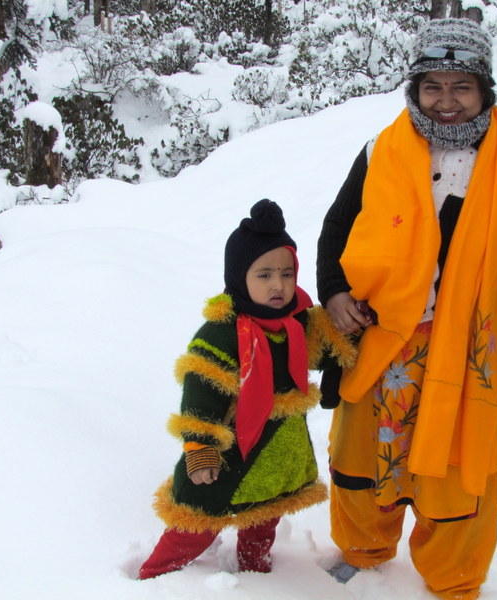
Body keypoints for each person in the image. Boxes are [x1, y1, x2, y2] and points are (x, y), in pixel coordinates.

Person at [316, 18, 497, 600]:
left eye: (462, 87)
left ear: (485, 91)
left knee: (454, 468)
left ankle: (453, 574)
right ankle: (364, 548)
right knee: (364, 451)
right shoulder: (383, 150)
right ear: (415, 88)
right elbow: (337, 227)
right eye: (434, 86)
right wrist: (334, 293)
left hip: (463, 344)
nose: (446, 101)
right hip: (379, 336)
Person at [138, 199, 356, 580]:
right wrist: (200, 446)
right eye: (265, 275)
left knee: (264, 516)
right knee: (199, 520)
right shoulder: (223, 334)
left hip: (279, 452)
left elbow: (329, 348)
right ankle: (154, 575)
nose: (279, 285)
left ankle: (256, 572)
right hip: (230, 454)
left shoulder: (298, 322)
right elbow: (201, 392)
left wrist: (352, 325)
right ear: (240, 277)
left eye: (287, 274)